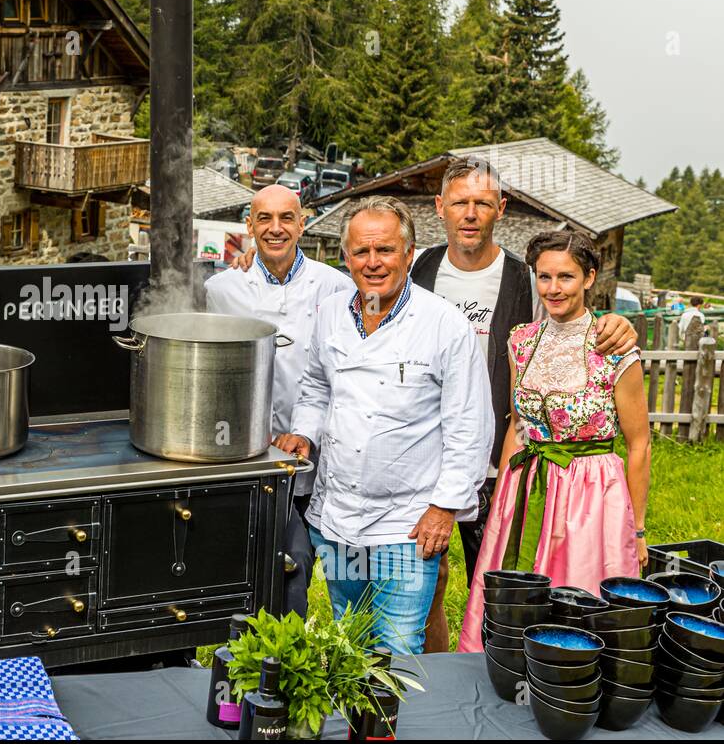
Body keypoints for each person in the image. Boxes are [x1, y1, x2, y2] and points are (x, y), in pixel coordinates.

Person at [412, 157, 636, 652]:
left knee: (501, 582)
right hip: (426, 457)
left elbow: (569, 326)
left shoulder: (526, 279)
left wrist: (619, 325)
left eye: (482, 203)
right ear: (440, 208)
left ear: (501, 210)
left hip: (500, 464)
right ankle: (443, 685)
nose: (470, 213)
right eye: (460, 202)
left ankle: (506, 673)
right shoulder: (416, 269)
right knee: (426, 586)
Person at [282, 197, 493, 655]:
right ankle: (356, 727)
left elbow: (470, 428)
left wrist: (444, 507)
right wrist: (304, 432)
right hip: (337, 518)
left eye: (385, 250)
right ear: (346, 257)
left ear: (409, 253)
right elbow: (317, 388)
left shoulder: (445, 326)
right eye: (361, 252)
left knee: (397, 649)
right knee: (351, 639)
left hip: (408, 523)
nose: (373, 263)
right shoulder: (332, 314)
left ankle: (392, 728)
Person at [458, 231, 650, 652]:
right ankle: (509, 670)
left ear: (589, 278)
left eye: (566, 277)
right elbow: (515, 424)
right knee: (517, 595)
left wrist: (636, 529)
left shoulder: (615, 348)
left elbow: (639, 445)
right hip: (527, 487)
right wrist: (503, 500)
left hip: (591, 495)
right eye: (544, 277)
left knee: (577, 595)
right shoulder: (521, 342)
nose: (553, 288)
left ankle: (570, 681)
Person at [204, 183, 351, 615]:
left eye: (286, 218)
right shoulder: (222, 290)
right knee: (265, 557)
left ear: (302, 224)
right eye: (264, 218)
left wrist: (307, 431)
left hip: (315, 449)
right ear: (249, 226)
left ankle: (286, 657)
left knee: (305, 560)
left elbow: (336, 373)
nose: (275, 228)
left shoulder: (336, 287)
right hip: (246, 452)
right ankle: (257, 654)